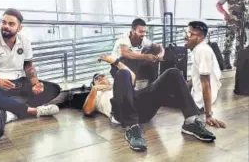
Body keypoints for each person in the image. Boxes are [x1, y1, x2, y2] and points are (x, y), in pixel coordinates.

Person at [83, 54, 219, 152]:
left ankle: (191, 122)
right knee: (122, 74)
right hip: (123, 113)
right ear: (93, 83)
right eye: (96, 78)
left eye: (102, 76)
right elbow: (87, 110)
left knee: (173, 73)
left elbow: (131, 76)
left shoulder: (118, 83)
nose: (100, 78)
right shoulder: (98, 94)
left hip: (142, 107)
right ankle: (132, 128)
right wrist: (95, 89)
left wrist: (116, 61)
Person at [0, 8, 60, 122]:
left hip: (19, 82)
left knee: (53, 88)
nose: (6, 26)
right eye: (4, 22)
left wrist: (35, 84)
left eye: (11, 23)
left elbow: (28, 67)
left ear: (19, 28)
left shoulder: (25, 42)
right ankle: (32, 111)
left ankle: (14, 112)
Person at [185, 21, 226, 128]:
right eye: (186, 32)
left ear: (200, 37)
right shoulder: (198, 49)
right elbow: (196, 77)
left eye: (190, 34)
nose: (185, 37)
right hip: (196, 95)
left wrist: (208, 115)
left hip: (199, 102)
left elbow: (206, 84)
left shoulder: (203, 51)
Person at [111, 18, 165, 89]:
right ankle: (129, 88)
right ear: (133, 31)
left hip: (134, 66)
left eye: (144, 31)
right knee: (127, 59)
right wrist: (146, 56)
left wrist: (161, 54)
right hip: (117, 67)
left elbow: (158, 46)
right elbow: (125, 53)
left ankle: (153, 87)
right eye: (140, 32)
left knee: (151, 52)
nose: (143, 34)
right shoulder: (123, 38)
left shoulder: (143, 39)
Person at [216, 0, 248, 69]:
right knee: (228, 42)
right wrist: (225, 13)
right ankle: (226, 61)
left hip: (243, 23)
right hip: (232, 21)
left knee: (241, 43)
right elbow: (218, 5)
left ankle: (238, 61)